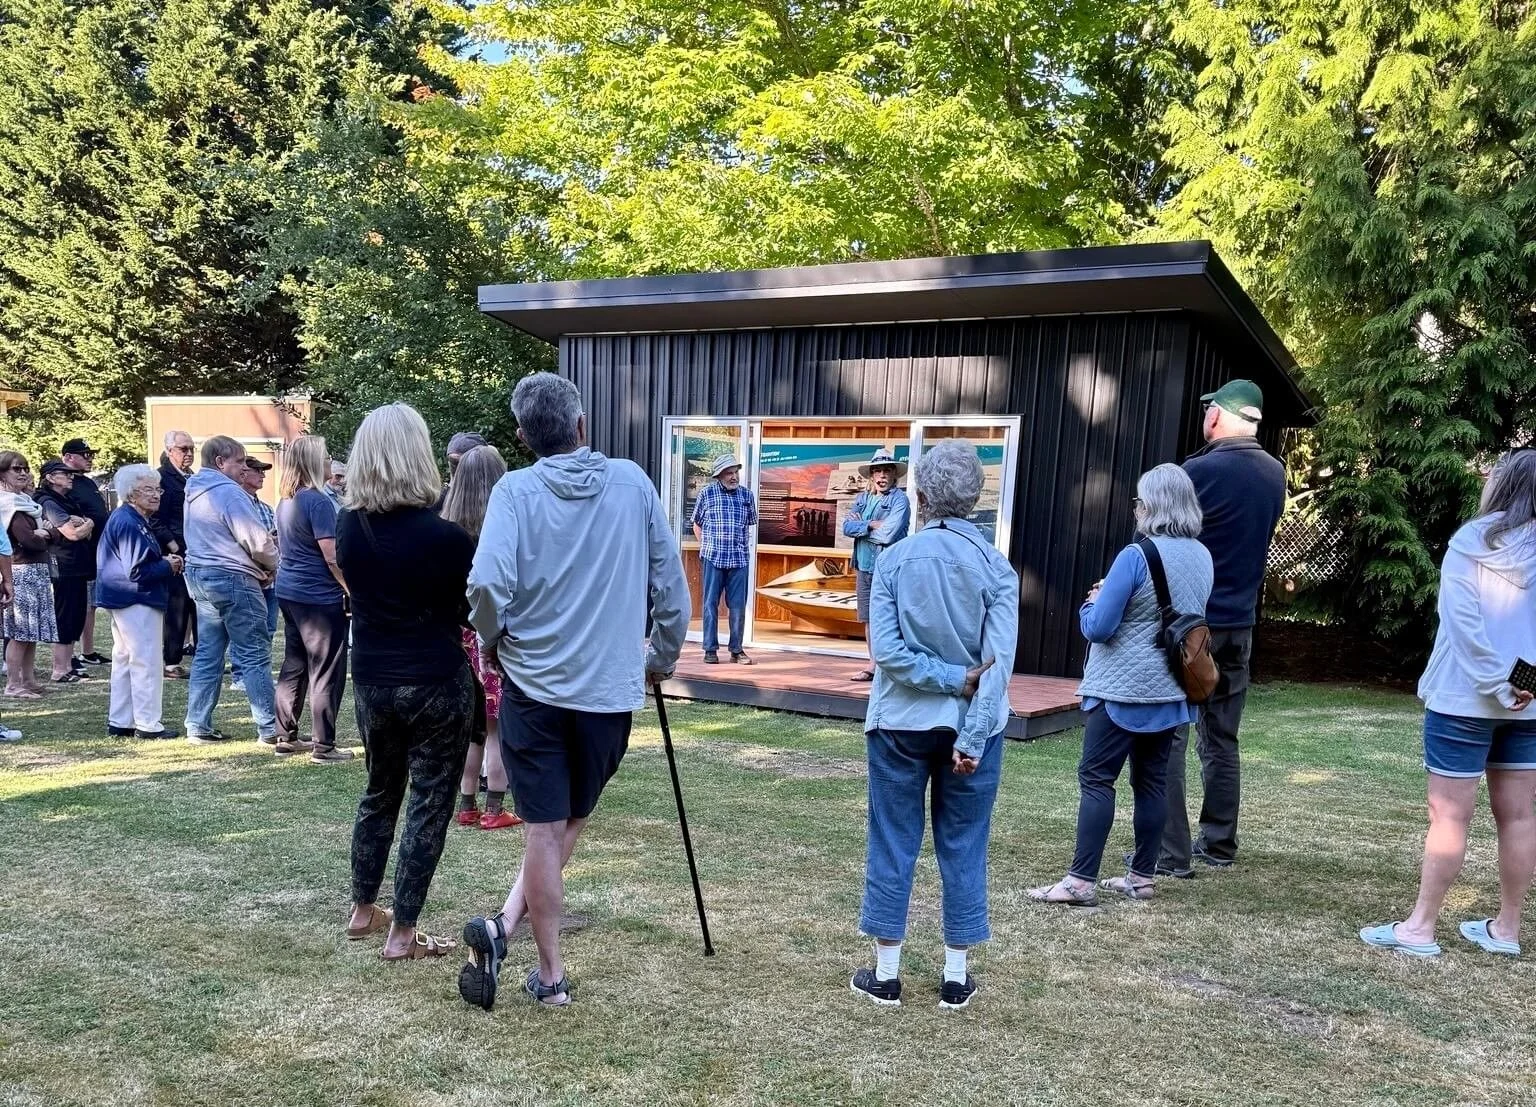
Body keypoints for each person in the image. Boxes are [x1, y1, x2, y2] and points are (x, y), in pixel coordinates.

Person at [458, 372, 688, 1010]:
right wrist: (661, 659)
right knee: (566, 823)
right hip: (607, 692)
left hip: (535, 687)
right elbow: (671, 588)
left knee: (544, 829)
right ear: (582, 426)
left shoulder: (515, 490)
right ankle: (531, 958)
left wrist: (493, 643)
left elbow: (484, 588)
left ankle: (525, 949)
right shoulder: (633, 483)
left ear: (526, 436)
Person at [849, 438, 1018, 1011]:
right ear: (975, 497)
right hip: (975, 728)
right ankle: (954, 975)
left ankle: (887, 972)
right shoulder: (997, 568)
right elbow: (997, 667)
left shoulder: (895, 560)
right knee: (964, 844)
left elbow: (889, 654)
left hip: (899, 722)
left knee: (893, 840)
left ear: (919, 496)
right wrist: (967, 716)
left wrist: (947, 679)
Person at [1361, 450, 1536, 958]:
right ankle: (1506, 928)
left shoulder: (1472, 540)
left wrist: (1498, 685)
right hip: (1527, 704)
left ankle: (1420, 928)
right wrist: (1521, 686)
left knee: (1449, 816)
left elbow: (1463, 624)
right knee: (1520, 817)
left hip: (1465, 700)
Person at [1028, 464, 1213, 907]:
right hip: (1171, 688)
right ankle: (1141, 876)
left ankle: (1079, 881)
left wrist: (1090, 601)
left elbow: (1100, 626)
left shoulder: (1136, 555)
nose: (1136, 508)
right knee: (1151, 784)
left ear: (1151, 505)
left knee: (1096, 780)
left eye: (1139, 501)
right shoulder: (1202, 555)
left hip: (1122, 690)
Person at [338, 402, 475, 961]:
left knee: (380, 790)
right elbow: (467, 614)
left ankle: (363, 908)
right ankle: (404, 932)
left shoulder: (350, 525)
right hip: (435, 677)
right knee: (429, 801)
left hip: (372, 673)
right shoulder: (446, 538)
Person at [1156, 379, 1285, 875]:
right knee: (1222, 738)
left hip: (1192, 627)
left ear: (1216, 416)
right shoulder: (1275, 473)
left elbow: (1165, 542)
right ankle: (1220, 845)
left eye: (1207, 410)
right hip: (1241, 624)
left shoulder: (1196, 473)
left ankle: (1171, 852)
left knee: (1170, 734)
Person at [439, 444, 521, 831]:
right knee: (496, 727)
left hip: (455, 637)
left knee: (472, 727)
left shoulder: (445, 525)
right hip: (490, 637)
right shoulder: (504, 524)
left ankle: (466, 803)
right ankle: (494, 807)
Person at [182, 435, 279, 745]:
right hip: (234, 578)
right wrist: (272, 564)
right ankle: (270, 727)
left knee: (208, 653)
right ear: (220, 462)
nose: (243, 467)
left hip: (201, 577)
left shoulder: (193, 492)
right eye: (239, 461)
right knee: (253, 653)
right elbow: (257, 541)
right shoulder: (229, 493)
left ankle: (197, 724)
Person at [273, 435, 351, 761]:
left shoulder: (286, 500)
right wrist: (350, 588)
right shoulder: (317, 501)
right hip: (318, 597)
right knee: (326, 669)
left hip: (289, 591)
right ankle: (324, 745)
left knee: (294, 664)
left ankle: (285, 735)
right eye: (325, 457)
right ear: (312, 463)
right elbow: (331, 556)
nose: (329, 463)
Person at [97, 465, 183, 739]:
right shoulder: (128, 521)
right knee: (145, 660)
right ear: (131, 494)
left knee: (125, 658)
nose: (156, 495)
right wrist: (167, 565)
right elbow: (137, 570)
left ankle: (121, 721)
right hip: (135, 597)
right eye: (149, 489)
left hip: (124, 596)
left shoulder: (130, 518)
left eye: (157, 489)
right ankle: (148, 724)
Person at [1, 452, 71, 700]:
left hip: (37, 572)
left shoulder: (26, 503)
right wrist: (47, 534)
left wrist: (48, 534)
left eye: (25, 468)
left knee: (32, 633)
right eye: (15, 469)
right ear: (2, 474)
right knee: (20, 632)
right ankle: (12, 684)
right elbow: (29, 541)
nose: (22, 473)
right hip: (21, 572)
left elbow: (49, 536)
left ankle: (28, 680)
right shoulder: (8, 505)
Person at [842, 447, 911, 681]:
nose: (881, 476)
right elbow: (846, 528)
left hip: (887, 568)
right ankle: (872, 665)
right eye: (877, 471)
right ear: (872, 475)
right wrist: (872, 524)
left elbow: (889, 535)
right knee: (869, 618)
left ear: (894, 475)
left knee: (889, 616)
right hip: (863, 565)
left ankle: (890, 666)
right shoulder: (862, 498)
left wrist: (862, 527)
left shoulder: (900, 499)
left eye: (886, 471)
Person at [36, 459, 97, 684]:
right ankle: (59, 669)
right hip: (63, 566)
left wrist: (83, 525)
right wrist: (88, 523)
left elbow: (81, 533)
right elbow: (73, 534)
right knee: (65, 615)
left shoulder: (67, 500)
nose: (71, 477)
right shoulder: (48, 502)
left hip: (77, 565)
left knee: (77, 614)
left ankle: (68, 665)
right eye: (65, 473)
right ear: (50, 477)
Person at [691, 453, 756, 665]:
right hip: (713, 557)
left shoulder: (747, 496)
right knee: (710, 604)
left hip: (739, 558)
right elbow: (697, 523)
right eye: (729, 473)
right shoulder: (706, 494)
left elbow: (750, 525)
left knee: (737, 606)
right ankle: (710, 649)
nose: (734, 476)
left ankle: (736, 650)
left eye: (735, 472)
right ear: (719, 475)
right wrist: (704, 546)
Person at [229, 457, 279, 697]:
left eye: (263, 471)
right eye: (257, 470)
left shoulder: (267, 508)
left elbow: (271, 541)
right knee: (245, 630)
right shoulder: (238, 505)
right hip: (250, 576)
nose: (262, 475)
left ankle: (261, 672)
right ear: (243, 472)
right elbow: (247, 543)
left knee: (267, 628)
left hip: (270, 576)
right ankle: (239, 675)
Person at [59, 438, 110, 668]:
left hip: (96, 550)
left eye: (91, 455)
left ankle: (87, 651)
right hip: (76, 551)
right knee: (76, 605)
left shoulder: (87, 483)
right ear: (68, 457)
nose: (90, 459)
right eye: (84, 455)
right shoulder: (64, 485)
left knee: (91, 604)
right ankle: (67, 656)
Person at [153, 429, 196, 679]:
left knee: (197, 606)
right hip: (176, 552)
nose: (189, 453)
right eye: (183, 449)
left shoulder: (192, 477)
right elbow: (157, 519)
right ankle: (171, 661)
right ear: (170, 451)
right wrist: (174, 547)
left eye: (191, 448)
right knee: (177, 607)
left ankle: (201, 655)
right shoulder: (162, 478)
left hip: (194, 549)